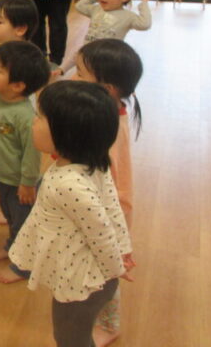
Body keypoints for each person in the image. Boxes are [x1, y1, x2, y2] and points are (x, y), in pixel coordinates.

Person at [9, 81, 134, 347]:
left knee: (69, 338)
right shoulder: (93, 162)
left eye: (40, 117)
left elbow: (101, 231)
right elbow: (111, 208)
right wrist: (123, 249)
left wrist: (115, 267)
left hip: (85, 284)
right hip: (87, 273)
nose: (33, 122)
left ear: (67, 133)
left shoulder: (69, 184)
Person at [72, 39, 144, 347]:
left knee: (105, 272)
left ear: (108, 88)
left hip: (108, 214)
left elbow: (106, 180)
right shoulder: (105, 112)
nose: (73, 78)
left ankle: (109, 325)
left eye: (80, 74)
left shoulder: (110, 128)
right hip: (97, 209)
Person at [0, 41, 50, 284]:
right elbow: (0, 124)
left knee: (22, 221)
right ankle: (12, 245)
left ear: (17, 86)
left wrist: (27, 183)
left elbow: (32, 152)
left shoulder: (25, 116)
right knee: (9, 214)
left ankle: (23, 266)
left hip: (18, 180)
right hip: (1, 174)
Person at [0, 0, 41, 226]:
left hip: (14, 114)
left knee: (15, 150)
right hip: (1, 108)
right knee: (4, 151)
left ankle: (16, 198)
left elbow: (30, 143)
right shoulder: (0, 49)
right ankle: (7, 193)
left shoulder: (21, 61)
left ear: (20, 29)